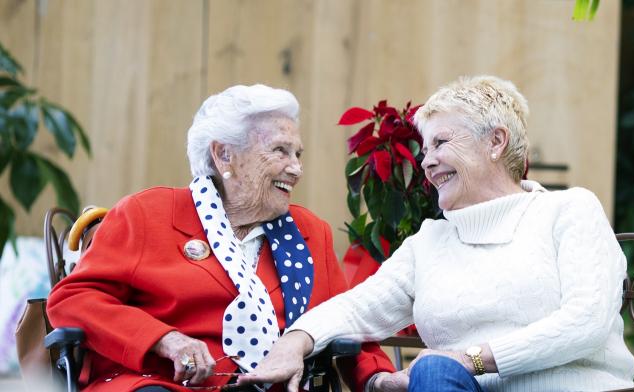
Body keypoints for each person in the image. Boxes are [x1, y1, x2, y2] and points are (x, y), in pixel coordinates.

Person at [236, 76, 634, 392]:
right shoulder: (429, 243)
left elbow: (586, 322)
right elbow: (354, 308)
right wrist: (295, 341)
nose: (427, 162)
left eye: (441, 142)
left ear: (496, 142)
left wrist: (470, 359)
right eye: (424, 149)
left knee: (434, 367)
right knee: (434, 371)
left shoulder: (568, 210)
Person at [46, 84, 395, 392]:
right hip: (160, 384)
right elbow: (73, 300)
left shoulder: (309, 233)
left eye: (297, 154)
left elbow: (344, 317)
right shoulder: (147, 214)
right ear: (224, 154)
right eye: (280, 151)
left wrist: (377, 378)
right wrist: (164, 339)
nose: (296, 168)